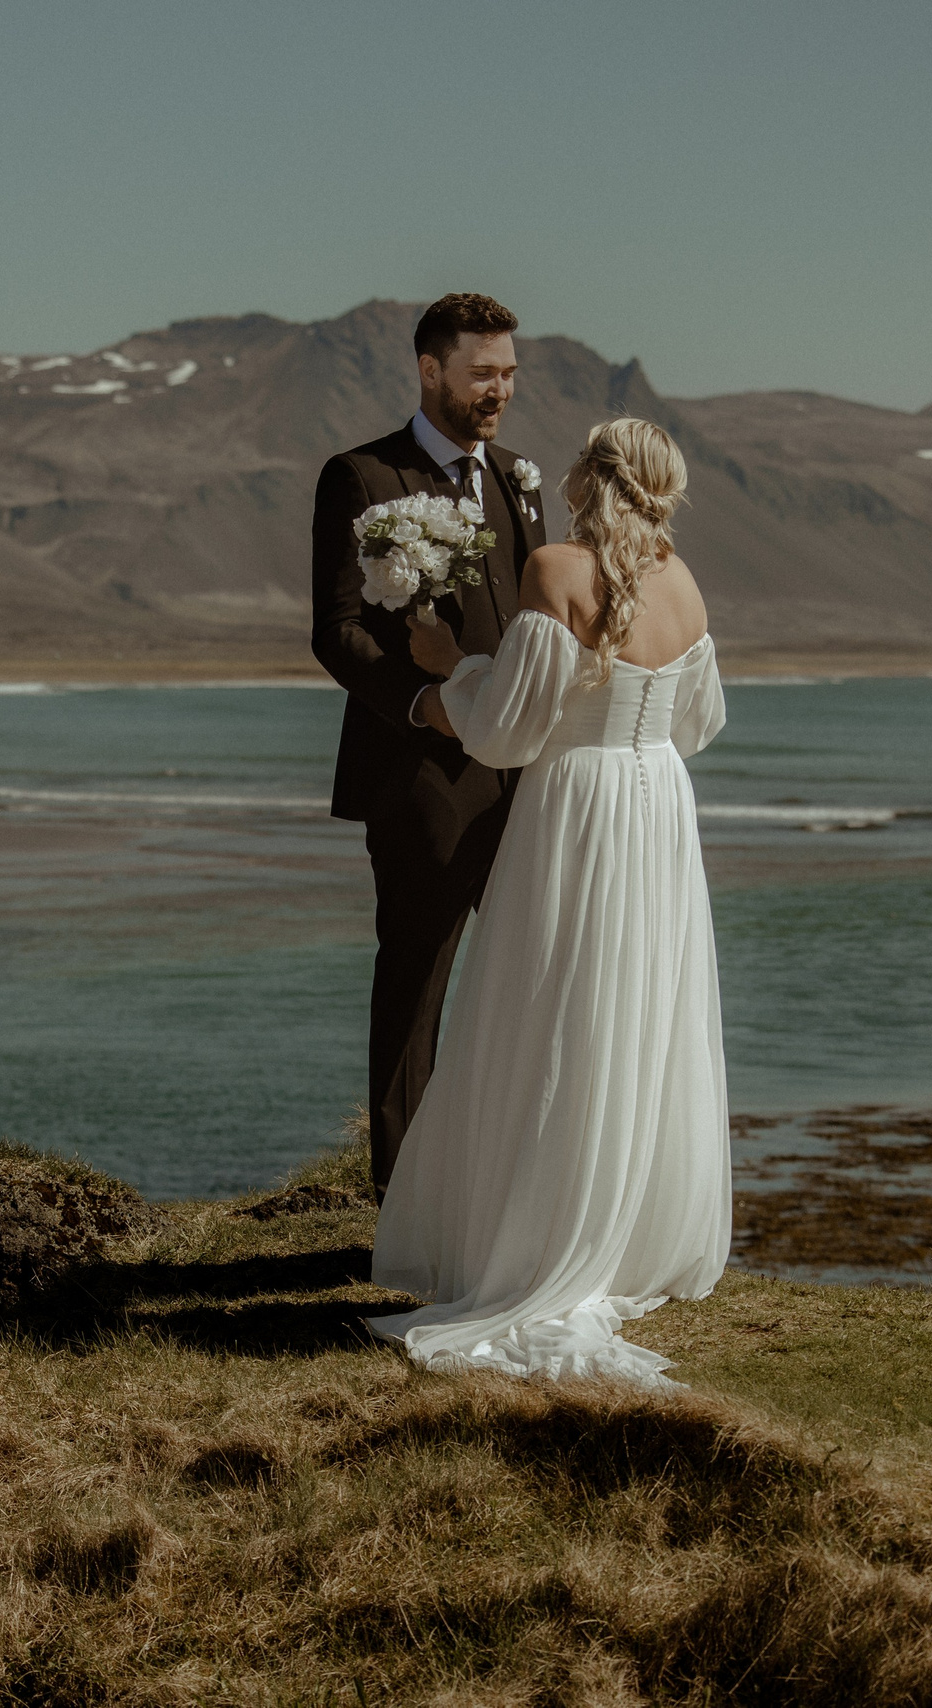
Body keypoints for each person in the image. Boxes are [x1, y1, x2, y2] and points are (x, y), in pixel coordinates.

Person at [365, 416, 731, 1385]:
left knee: (550, 1007)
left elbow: (504, 737)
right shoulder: (683, 581)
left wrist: (450, 673)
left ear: (583, 478)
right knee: (636, 1014)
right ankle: (624, 1236)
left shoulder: (552, 571)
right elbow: (700, 723)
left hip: (576, 806)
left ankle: (533, 1244)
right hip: (658, 808)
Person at [309, 293, 546, 1193]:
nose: (500, 391)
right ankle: (403, 1198)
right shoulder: (363, 477)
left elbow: (541, 624)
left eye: (511, 374)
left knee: (529, 983)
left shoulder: (519, 479)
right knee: (416, 985)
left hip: (521, 774)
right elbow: (339, 631)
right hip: (419, 779)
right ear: (430, 370)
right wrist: (423, 704)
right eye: (484, 373)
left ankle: (503, 1188)